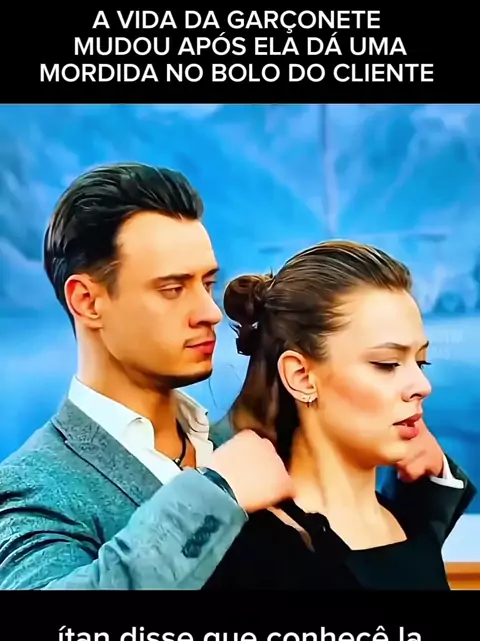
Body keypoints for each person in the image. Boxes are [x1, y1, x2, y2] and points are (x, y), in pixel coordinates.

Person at [0, 164, 473, 589]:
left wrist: (429, 487)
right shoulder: (34, 487)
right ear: (87, 301)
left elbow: (346, 566)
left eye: (207, 283)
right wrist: (216, 496)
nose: (209, 311)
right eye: (173, 288)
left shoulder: (245, 441)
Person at [204, 241, 476, 590]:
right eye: (387, 364)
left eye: (420, 362)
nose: (422, 386)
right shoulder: (252, 558)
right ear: (302, 377)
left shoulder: (415, 523)